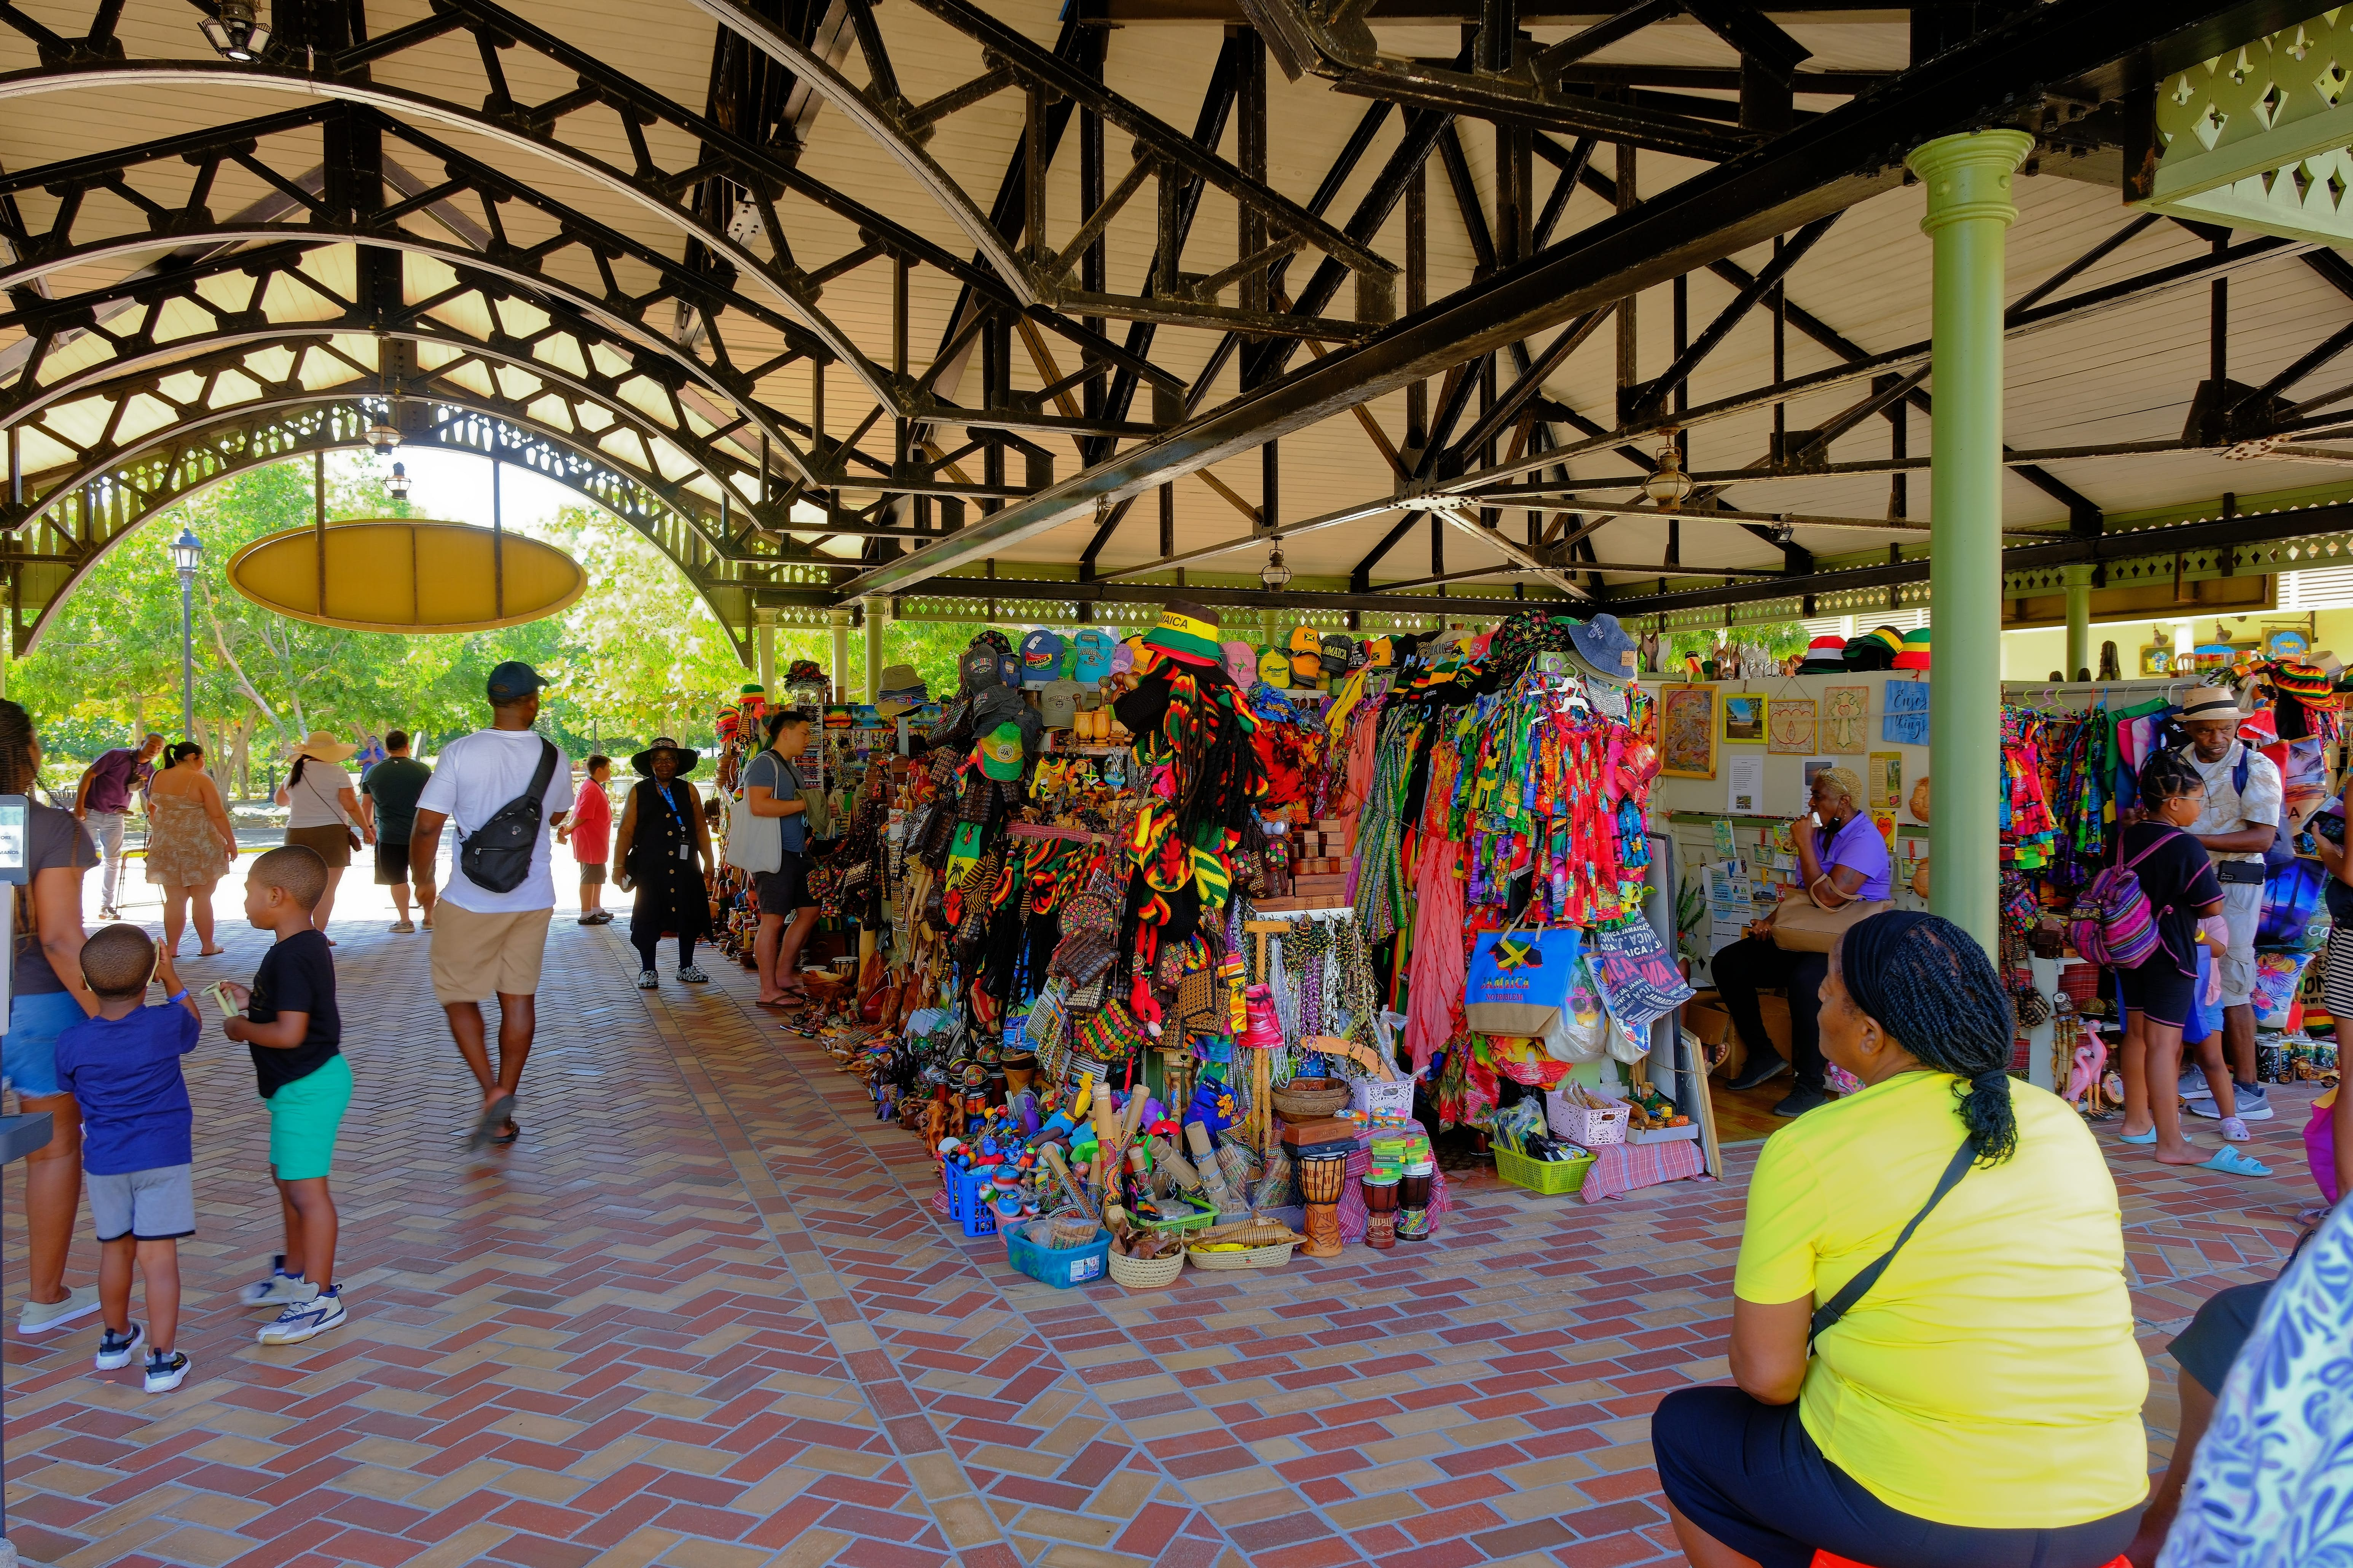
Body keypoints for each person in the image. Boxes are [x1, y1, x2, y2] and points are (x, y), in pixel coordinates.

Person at [1652, 911, 2149, 1568]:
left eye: (1826, 992)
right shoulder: (2057, 1120)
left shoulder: (1809, 1146)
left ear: (1869, 1034)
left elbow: (1768, 1378)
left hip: (1926, 1513)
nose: (1817, 1002)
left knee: (1688, 1433)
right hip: (2107, 1504)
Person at [410, 662, 572, 1151]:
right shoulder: (553, 755)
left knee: (459, 995)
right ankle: (506, 1100)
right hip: (533, 896)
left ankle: (490, 1092)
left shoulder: (460, 752)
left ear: (492, 700)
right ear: (531, 702)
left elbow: (426, 826)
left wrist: (422, 881)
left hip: (470, 898)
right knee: (518, 997)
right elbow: (557, 812)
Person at [55, 924, 200, 1393]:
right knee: (158, 1257)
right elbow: (193, 1024)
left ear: (84, 981)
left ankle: (115, 1341)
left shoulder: (73, 1041)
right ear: (150, 977)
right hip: (162, 1156)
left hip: (105, 1160)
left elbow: (68, 1085)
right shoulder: (164, 1025)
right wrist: (173, 978)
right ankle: (162, 1359)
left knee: (115, 1248)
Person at [2110, 752, 2270, 1176]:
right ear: (2173, 803)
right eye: (2198, 799)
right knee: (2164, 1045)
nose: (2202, 809)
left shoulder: (2129, 834)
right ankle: (2171, 1142)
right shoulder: (2185, 845)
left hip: (2132, 948)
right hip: (2170, 952)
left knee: (2137, 1034)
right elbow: (2210, 905)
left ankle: (2136, 1121)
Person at [219, 846, 350, 1345]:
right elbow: (297, 1013)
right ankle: (295, 1275)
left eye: (249, 892)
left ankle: (320, 1298)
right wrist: (256, 1005)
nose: (245, 902)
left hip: (307, 1085)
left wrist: (240, 1028)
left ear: (277, 895)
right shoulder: (304, 946)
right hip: (300, 1084)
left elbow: (292, 1033)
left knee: (307, 1193)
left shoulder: (290, 956)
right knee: (287, 1178)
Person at [2, 701, 104, 1337]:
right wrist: (114, 1019)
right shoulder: (42, 827)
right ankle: (45, 1297)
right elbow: (64, 942)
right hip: (37, 1008)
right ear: (28, 752)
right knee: (51, 1147)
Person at [1713, 765, 1891, 1118]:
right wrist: (1773, 920)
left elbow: (1828, 898)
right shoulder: (1825, 833)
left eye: (1819, 798)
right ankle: (1764, 1054)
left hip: (1846, 944)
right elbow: (1804, 896)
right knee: (1730, 963)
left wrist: (1805, 844)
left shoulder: (1864, 840)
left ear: (1843, 803)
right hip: (1812, 935)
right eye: (1812, 796)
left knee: (1808, 981)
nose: (1812, 805)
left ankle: (1809, 1085)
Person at [2170, 683, 2282, 1125]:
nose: (2216, 739)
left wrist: (2191, 840)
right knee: (2192, 974)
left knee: (2232, 976)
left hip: (2234, 885)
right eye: (2206, 731)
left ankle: (2250, 1088)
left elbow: (2261, 837)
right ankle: (2204, 1069)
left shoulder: (2255, 766)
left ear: (2236, 725)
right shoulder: (2174, 764)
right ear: (2191, 729)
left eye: (2224, 729)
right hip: (2186, 883)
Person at [612, 737, 713, 990]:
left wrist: (709, 860)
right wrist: (618, 866)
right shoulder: (639, 791)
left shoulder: (688, 790)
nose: (664, 764)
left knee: (688, 913)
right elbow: (626, 830)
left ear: (678, 763)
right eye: (658, 759)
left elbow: (700, 826)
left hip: (685, 865)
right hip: (651, 866)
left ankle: (686, 966)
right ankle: (648, 970)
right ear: (651, 764)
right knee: (649, 914)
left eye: (670, 759)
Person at [743, 713, 816, 1004]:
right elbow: (758, 806)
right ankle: (767, 990)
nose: (809, 739)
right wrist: (805, 804)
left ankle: (784, 975)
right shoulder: (764, 764)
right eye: (805, 733)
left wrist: (817, 809)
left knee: (811, 911)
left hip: (797, 852)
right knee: (772, 920)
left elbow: (795, 808)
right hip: (774, 853)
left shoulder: (790, 767)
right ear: (785, 734)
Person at [275, 731, 372, 941]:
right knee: (327, 890)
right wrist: (366, 828)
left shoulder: (294, 773)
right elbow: (350, 804)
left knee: (298, 888)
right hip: (331, 834)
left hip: (296, 834)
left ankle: (293, 934)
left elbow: (280, 801)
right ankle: (317, 936)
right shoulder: (337, 773)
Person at [142, 742, 237, 958]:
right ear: (194, 757)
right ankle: (207, 945)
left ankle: (173, 948)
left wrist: (159, 834)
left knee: (174, 899)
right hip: (200, 845)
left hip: (167, 845)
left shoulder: (158, 777)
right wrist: (231, 841)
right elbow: (218, 814)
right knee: (202, 897)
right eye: (203, 759)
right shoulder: (200, 780)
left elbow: (153, 810)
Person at [75, 730, 161, 920]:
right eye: (152, 744)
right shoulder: (116, 756)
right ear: (142, 742)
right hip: (91, 812)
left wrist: (157, 828)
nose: (154, 750)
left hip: (116, 817)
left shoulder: (150, 772)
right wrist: (79, 807)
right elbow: (89, 775)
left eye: (159, 748)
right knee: (80, 860)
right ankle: (74, 908)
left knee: (113, 860)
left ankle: (106, 905)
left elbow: (152, 800)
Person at [359, 730, 434, 934]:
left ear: (387, 748)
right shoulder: (422, 770)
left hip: (389, 835)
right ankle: (429, 918)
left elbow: (366, 805)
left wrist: (368, 827)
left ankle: (405, 921)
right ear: (407, 746)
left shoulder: (374, 772)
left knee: (397, 879)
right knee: (426, 877)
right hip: (420, 834)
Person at [555, 754, 614, 925]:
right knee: (589, 876)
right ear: (599, 770)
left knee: (598, 875)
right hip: (589, 838)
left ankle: (595, 908)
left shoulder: (594, 786)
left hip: (596, 838)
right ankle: (586, 913)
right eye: (608, 769)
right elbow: (582, 816)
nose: (610, 772)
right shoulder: (591, 788)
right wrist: (569, 828)